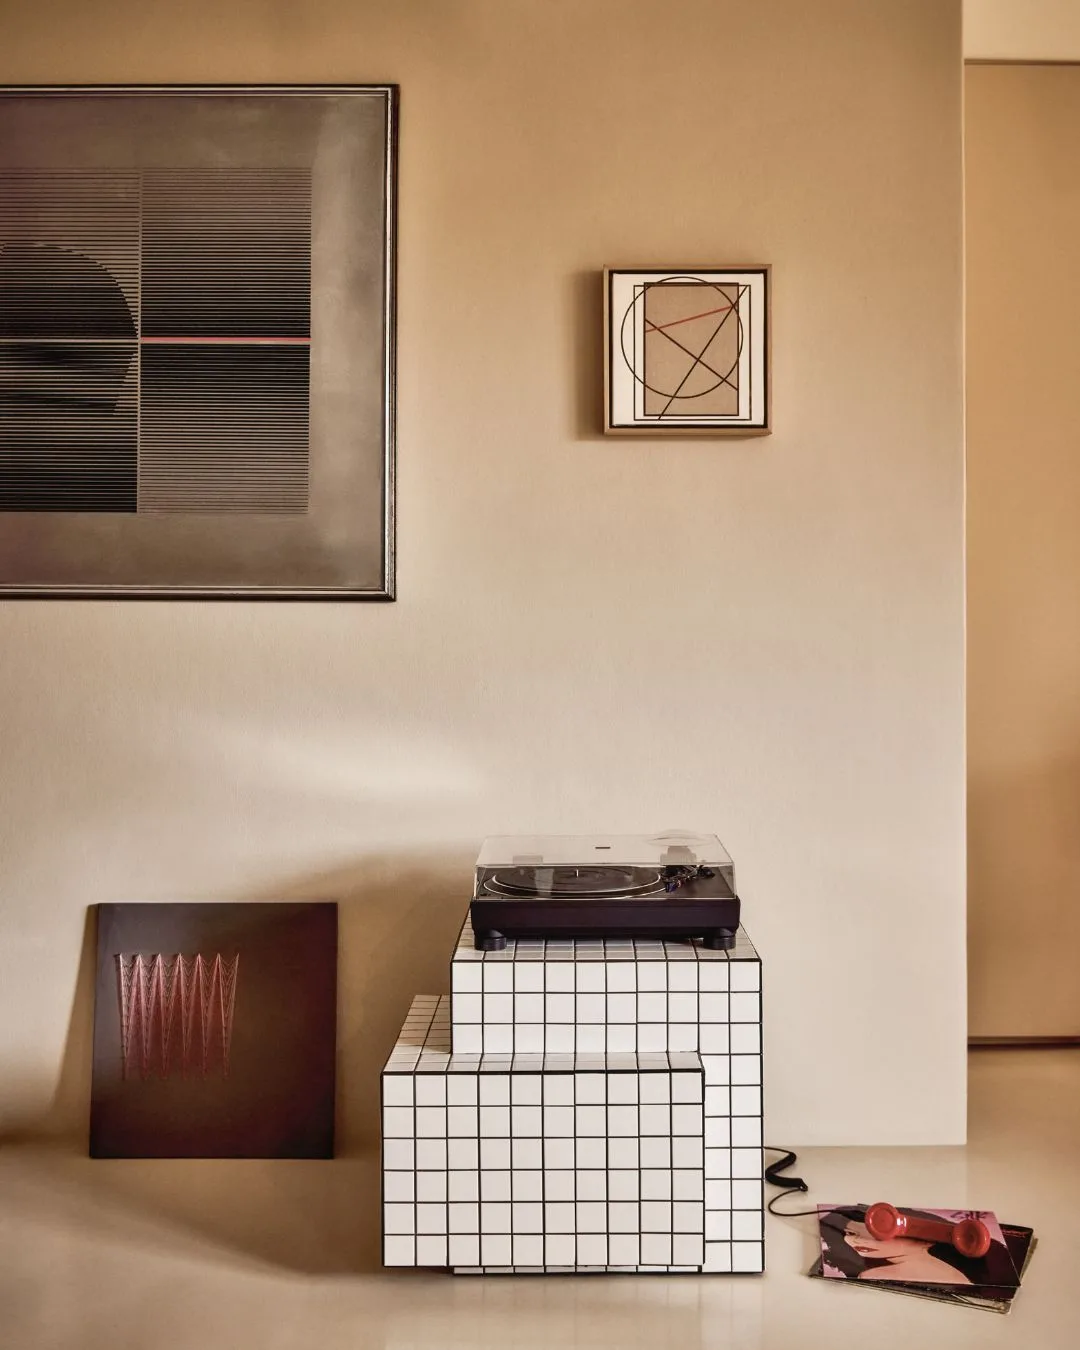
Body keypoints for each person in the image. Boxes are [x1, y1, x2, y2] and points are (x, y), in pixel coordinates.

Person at [818, 1205, 1016, 1286]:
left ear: (927, 1238)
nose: (858, 1241)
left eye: (873, 1235)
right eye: (850, 1234)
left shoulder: (871, 1275)